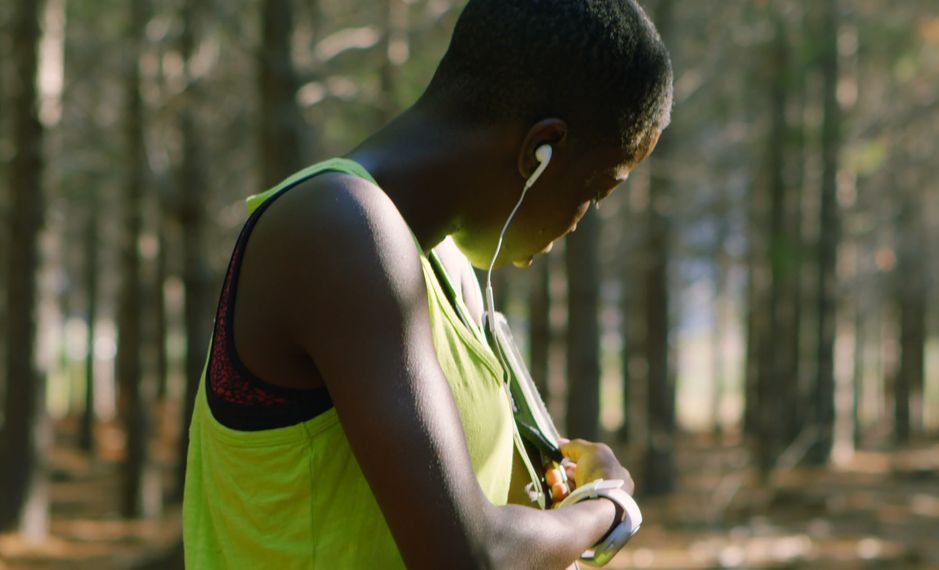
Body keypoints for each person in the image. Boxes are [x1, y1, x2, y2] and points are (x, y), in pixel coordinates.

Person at [182, 0, 673, 567]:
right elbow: (466, 555)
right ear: (543, 149)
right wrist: (606, 509)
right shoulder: (336, 229)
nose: (581, 217)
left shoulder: (444, 264)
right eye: (596, 189)